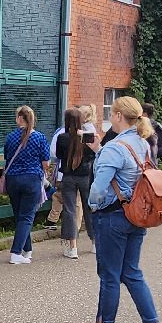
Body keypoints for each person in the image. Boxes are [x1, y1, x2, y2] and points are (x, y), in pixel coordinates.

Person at [71, 96, 162, 323]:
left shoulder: (115, 147)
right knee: (132, 272)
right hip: (136, 213)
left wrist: (93, 206)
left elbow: (99, 189)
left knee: (109, 274)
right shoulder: (141, 143)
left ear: (119, 116)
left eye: (111, 113)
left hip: (112, 216)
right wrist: (99, 151)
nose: (109, 117)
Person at [1, 106, 54, 264]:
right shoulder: (39, 137)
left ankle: (27, 249)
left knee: (20, 216)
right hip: (31, 180)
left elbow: (6, 157)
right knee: (27, 217)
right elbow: (46, 162)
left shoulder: (11, 137)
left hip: (12, 180)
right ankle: (16, 253)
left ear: (19, 118)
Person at [52, 107, 95, 259]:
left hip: (69, 176)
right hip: (85, 176)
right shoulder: (88, 136)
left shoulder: (63, 137)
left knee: (70, 210)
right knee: (89, 208)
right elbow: (92, 155)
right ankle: (94, 242)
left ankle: (73, 247)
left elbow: (58, 155)